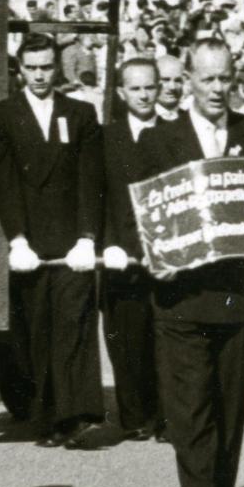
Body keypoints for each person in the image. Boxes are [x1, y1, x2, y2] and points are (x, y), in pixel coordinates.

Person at [136, 38, 244, 487]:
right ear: (188, 82)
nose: (218, 89)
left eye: (225, 78)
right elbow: (144, 213)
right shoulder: (159, 140)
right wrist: (153, 256)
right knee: (189, 400)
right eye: (208, 79)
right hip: (180, 293)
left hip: (236, 290)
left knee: (229, 397)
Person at [0, 33, 105, 446]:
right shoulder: (1, 116)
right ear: (19, 69)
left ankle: (76, 415)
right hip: (31, 241)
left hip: (72, 239)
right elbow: (4, 182)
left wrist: (88, 236)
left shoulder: (81, 113)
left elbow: (91, 179)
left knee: (74, 323)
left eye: (46, 67)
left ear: (58, 67)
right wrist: (16, 238)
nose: (39, 75)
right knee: (38, 329)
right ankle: (48, 416)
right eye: (31, 68)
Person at [98, 55, 168, 440]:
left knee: (164, 337)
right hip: (119, 255)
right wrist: (107, 243)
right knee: (125, 337)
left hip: (162, 255)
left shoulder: (175, 134)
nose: (144, 95)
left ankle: (164, 415)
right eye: (135, 88)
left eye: (150, 87)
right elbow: (98, 195)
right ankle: (135, 415)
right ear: (122, 93)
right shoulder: (106, 137)